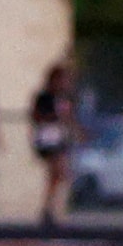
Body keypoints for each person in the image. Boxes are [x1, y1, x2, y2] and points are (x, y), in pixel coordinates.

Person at [30, 60, 78, 228]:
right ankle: (48, 209)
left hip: (59, 139)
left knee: (59, 174)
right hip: (47, 139)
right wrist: (54, 117)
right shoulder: (44, 97)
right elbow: (37, 116)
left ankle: (50, 208)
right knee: (57, 171)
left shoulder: (64, 98)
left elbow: (69, 119)